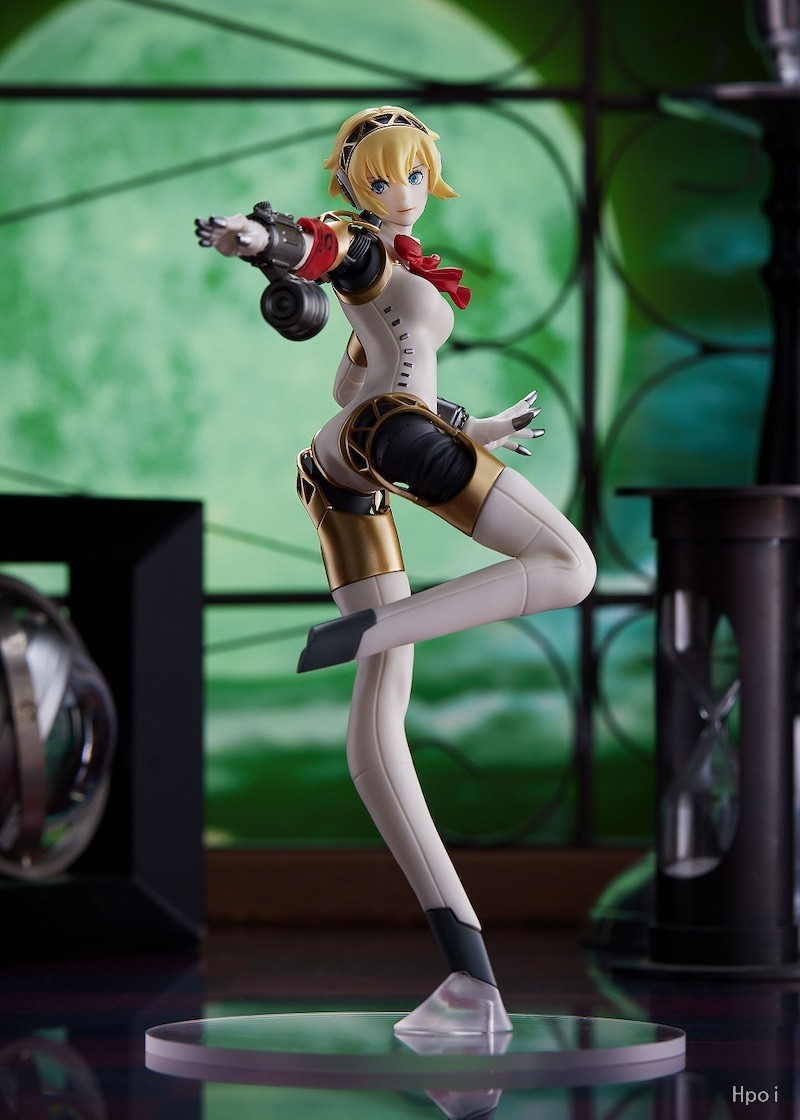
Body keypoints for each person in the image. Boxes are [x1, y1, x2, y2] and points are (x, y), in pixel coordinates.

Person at [195, 105, 596, 1036]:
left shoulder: (394, 270)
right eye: (381, 178)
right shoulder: (366, 249)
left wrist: (479, 429)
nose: (403, 193)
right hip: (385, 438)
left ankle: (468, 980)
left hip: (342, 462)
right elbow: (326, 252)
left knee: (379, 727)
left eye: (414, 174)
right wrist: (261, 240)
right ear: (350, 185)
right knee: (569, 567)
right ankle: (367, 629)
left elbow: (367, 378)